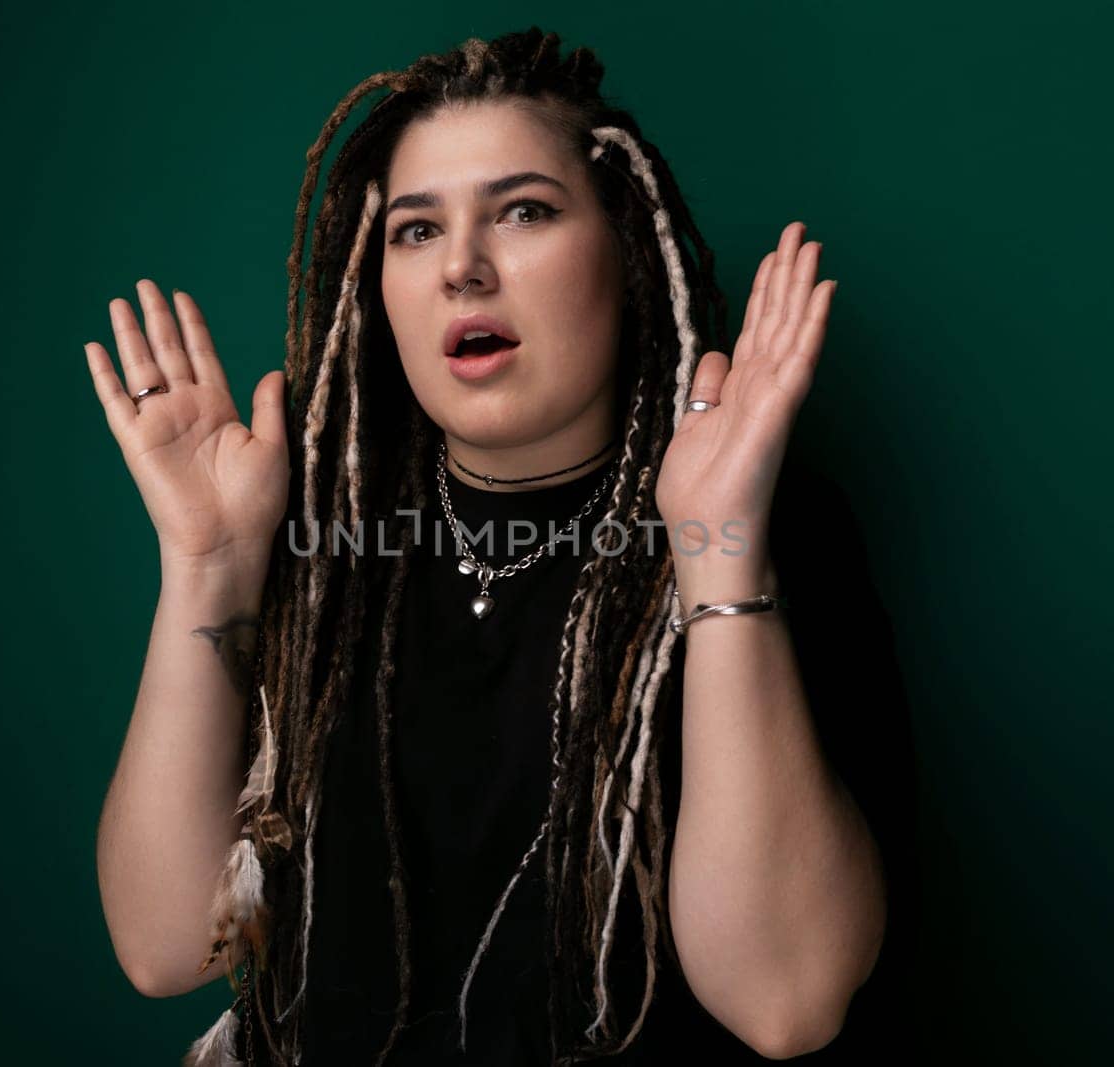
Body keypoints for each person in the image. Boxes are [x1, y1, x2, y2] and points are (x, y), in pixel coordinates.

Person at [89, 27, 918, 1066]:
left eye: (523, 211)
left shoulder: (768, 532)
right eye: (416, 230)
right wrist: (207, 564)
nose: (463, 270)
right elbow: (165, 946)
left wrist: (722, 546)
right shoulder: (318, 542)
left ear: (621, 245)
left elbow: (785, 1001)